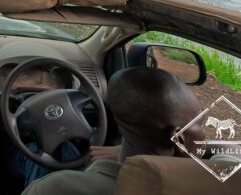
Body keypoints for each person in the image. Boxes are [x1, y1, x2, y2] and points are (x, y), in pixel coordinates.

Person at [23, 67, 206, 195]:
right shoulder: (211, 184)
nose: (205, 130)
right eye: (200, 122)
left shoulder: (52, 188)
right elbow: (230, 150)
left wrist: (127, 153)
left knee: (36, 149)